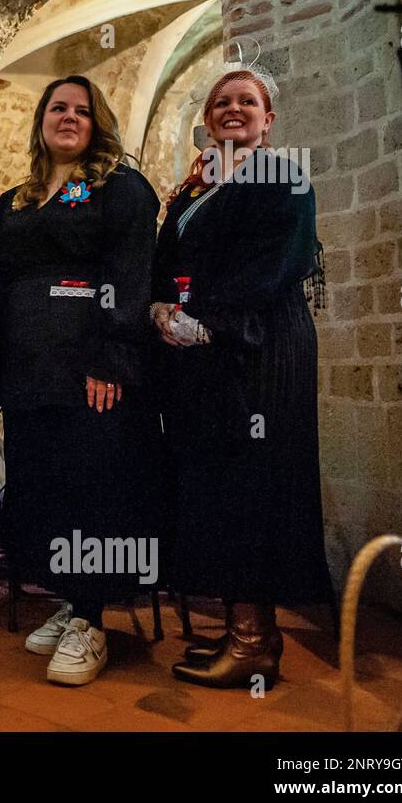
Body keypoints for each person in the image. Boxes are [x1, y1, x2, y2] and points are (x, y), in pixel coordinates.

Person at [151, 67, 331, 690]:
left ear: (268, 119)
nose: (234, 109)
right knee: (217, 487)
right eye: (222, 102)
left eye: (247, 102)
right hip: (200, 353)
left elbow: (275, 263)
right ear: (206, 118)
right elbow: (165, 264)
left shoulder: (283, 176)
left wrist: (208, 323)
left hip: (259, 349)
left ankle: (255, 642)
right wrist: (159, 309)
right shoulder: (192, 192)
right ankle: (245, 635)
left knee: (254, 485)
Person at [0, 76, 160, 686]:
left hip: (91, 367)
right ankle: (70, 600)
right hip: (29, 370)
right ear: (40, 120)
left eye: (81, 111)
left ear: (98, 123)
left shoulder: (119, 188)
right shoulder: (18, 198)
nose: (68, 117)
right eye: (57, 108)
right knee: (44, 489)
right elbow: (1, 282)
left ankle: (92, 620)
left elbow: (131, 272)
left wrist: (111, 356)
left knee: (95, 486)